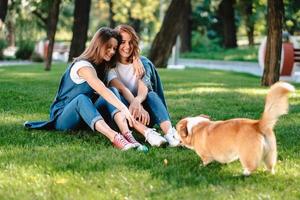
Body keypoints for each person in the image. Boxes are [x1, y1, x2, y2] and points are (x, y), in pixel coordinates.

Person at [24, 27, 138, 151]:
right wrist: (123, 108)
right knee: (82, 99)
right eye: (108, 47)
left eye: (114, 48)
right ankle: (114, 137)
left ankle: (127, 135)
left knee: (112, 90)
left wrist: (138, 60)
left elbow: (122, 70)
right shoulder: (83, 66)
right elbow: (101, 89)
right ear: (98, 45)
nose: (111, 51)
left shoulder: (104, 66)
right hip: (63, 118)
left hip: (86, 116)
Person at [106, 24, 180, 147]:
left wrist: (138, 102)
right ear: (116, 43)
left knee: (151, 95)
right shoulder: (110, 67)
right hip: (124, 116)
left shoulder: (142, 63)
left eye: (130, 42)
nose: (127, 47)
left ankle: (170, 134)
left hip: (144, 114)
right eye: (123, 42)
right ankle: (148, 133)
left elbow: (144, 87)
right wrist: (135, 104)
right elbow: (122, 89)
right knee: (118, 96)